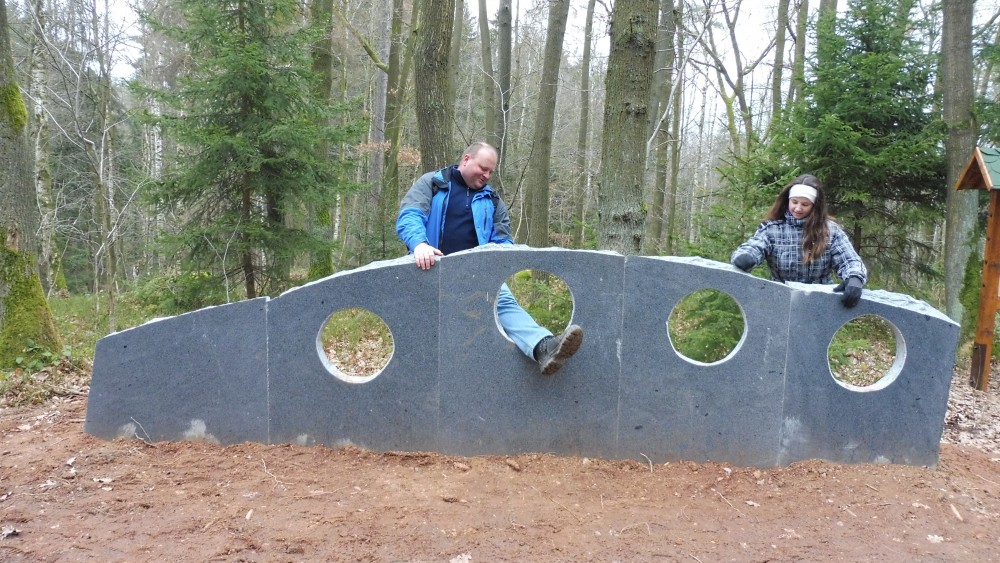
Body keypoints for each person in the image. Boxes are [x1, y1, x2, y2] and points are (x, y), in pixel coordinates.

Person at [396, 142, 584, 375]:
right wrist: (419, 244)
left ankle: (544, 347)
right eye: (483, 168)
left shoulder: (492, 200)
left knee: (504, 303)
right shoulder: (433, 183)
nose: (486, 175)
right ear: (466, 160)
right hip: (431, 266)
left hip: (477, 272)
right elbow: (410, 215)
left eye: (491, 172)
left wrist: (499, 263)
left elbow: (503, 242)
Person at [730, 174, 868, 308]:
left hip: (821, 302)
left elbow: (849, 260)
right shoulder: (772, 229)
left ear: (815, 206)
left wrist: (854, 278)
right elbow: (755, 246)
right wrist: (746, 256)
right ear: (788, 200)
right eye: (794, 202)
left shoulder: (830, 231)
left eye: (805, 204)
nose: (798, 208)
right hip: (780, 301)